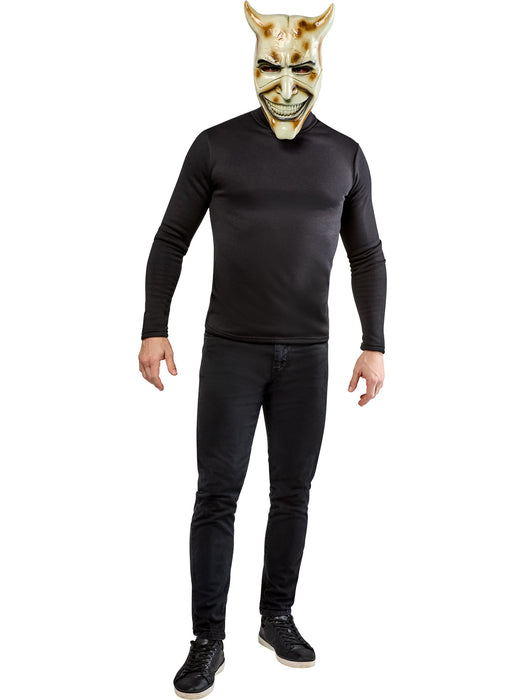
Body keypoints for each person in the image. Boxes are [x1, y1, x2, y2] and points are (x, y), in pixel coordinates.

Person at [138, 2, 387, 697]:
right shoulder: (216, 146)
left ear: (320, 68)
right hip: (231, 351)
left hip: (308, 354)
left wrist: (374, 343)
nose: (284, 85)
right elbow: (170, 239)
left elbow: (367, 255)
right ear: (252, 66)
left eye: (300, 68)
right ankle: (206, 639)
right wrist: (154, 326)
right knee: (217, 494)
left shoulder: (344, 154)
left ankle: (276, 616)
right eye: (270, 67)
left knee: (292, 494)